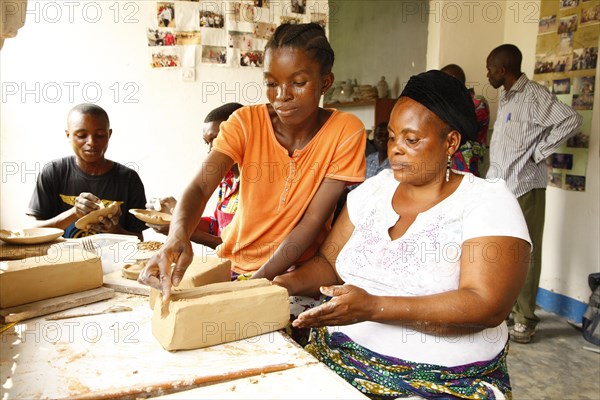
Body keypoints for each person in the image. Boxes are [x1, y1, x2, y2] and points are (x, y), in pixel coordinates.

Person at [273, 70, 532, 399]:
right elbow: (329, 263)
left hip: (441, 382)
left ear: (450, 142)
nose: (395, 149)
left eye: (411, 140)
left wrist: (373, 308)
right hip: (337, 358)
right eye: (392, 136)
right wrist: (282, 284)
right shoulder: (374, 192)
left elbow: (486, 305)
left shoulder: (486, 202)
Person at [139, 23, 366, 299]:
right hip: (233, 267)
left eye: (298, 83)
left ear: (325, 83)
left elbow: (312, 220)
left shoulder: (345, 130)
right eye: (271, 83)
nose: (282, 96)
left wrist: (255, 284)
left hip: (294, 276)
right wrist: (177, 235)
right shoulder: (245, 123)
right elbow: (200, 188)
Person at [485, 44, 582, 344]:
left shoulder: (535, 95)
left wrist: (540, 152)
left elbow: (571, 119)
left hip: (525, 185)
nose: (487, 74)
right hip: (501, 185)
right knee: (505, 250)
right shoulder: (506, 95)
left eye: (490, 69)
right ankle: (510, 309)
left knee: (525, 253)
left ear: (502, 69)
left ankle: (526, 319)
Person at [27, 103, 147, 240]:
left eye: (100, 135)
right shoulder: (53, 172)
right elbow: (31, 231)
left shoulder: (128, 179)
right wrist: (74, 213)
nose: (91, 142)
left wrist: (114, 229)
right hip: (61, 260)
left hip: (113, 261)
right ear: (68, 135)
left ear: (109, 134)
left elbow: (139, 240)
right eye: (82, 135)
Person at [147, 103, 244, 250]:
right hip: (228, 268)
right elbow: (218, 227)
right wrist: (177, 217)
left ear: (243, 134)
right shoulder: (227, 179)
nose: (211, 150)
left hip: (255, 272)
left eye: (218, 140)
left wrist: (183, 232)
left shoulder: (260, 184)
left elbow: (245, 248)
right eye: (207, 143)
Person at [440, 63, 490, 176]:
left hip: (470, 166)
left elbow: (463, 130)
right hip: (450, 165)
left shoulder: (477, 102)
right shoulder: (449, 104)